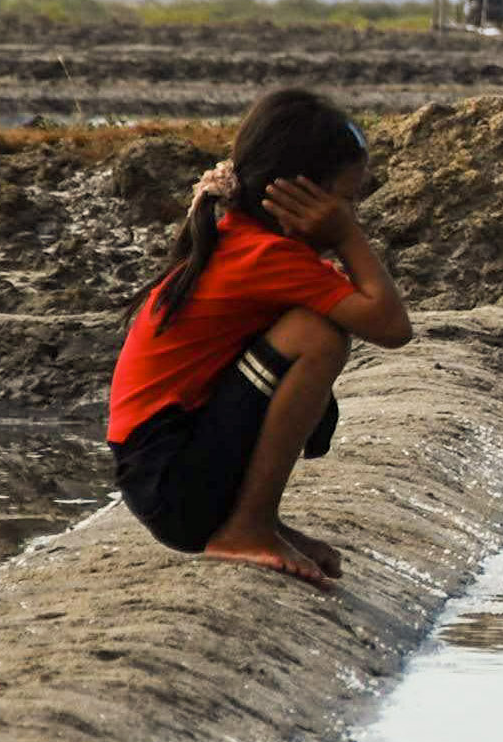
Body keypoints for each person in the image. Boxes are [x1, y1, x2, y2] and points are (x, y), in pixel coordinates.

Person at [108, 88, 415, 585]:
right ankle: (245, 527)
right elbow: (392, 326)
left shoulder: (245, 239)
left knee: (312, 330)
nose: (351, 213)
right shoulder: (264, 255)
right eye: (344, 200)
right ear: (297, 196)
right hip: (170, 484)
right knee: (317, 336)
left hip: (164, 474)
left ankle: (258, 521)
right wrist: (346, 236)